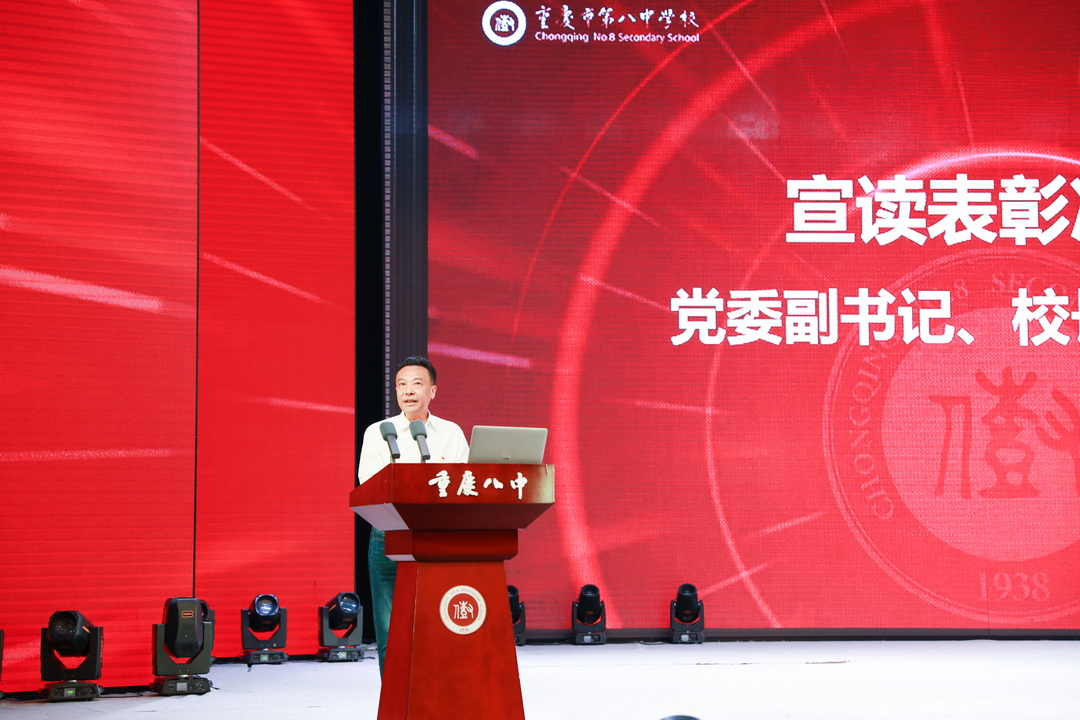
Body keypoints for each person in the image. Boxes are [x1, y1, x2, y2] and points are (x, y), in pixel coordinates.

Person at [356, 356, 469, 674]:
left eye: (417, 384)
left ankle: (433, 693)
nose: (408, 391)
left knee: (436, 619)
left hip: (438, 536)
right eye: (401, 385)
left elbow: (465, 483)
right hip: (389, 536)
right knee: (390, 625)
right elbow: (368, 484)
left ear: (432, 391)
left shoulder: (450, 433)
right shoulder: (379, 432)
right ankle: (394, 696)